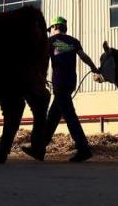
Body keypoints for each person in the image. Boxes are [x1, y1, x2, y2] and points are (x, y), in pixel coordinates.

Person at [23, 16, 99, 162]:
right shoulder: (73, 41)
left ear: (54, 27)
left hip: (60, 82)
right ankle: (39, 149)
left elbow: (41, 60)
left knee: (70, 116)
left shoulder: (50, 41)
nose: (49, 32)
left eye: (49, 29)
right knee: (52, 117)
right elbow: (84, 56)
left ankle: (83, 149)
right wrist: (94, 68)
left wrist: (39, 77)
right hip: (70, 82)